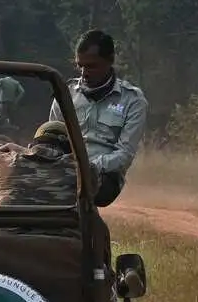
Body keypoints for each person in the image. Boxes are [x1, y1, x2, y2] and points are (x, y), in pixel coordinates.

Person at [47, 29, 147, 207]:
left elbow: (124, 155)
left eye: (91, 66)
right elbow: (51, 138)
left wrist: (86, 167)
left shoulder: (133, 99)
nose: (84, 72)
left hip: (105, 176)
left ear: (110, 61)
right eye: (80, 65)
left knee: (80, 188)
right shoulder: (65, 94)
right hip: (65, 169)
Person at [0, 120, 78, 207]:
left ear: (33, 143)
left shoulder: (0, 164)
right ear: (69, 147)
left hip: (14, 225)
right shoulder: (82, 169)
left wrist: (22, 151)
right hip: (60, 226)